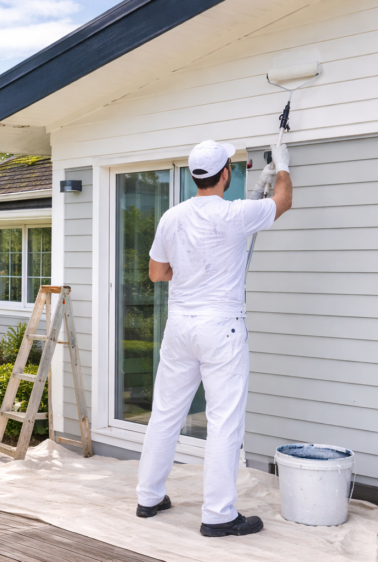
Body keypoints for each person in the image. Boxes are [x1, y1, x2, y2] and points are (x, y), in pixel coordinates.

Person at [134, 140, 292, 537]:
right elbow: (283, 201)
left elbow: (156, 273)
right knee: (224, 423)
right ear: (225, 174)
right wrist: (283, 166)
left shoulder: (172, 216)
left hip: (180, 328)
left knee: (166, 413)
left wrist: (187, 274)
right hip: (221, 328)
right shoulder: (236, 214)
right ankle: (218, 515)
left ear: (194, 176)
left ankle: (148, 497)